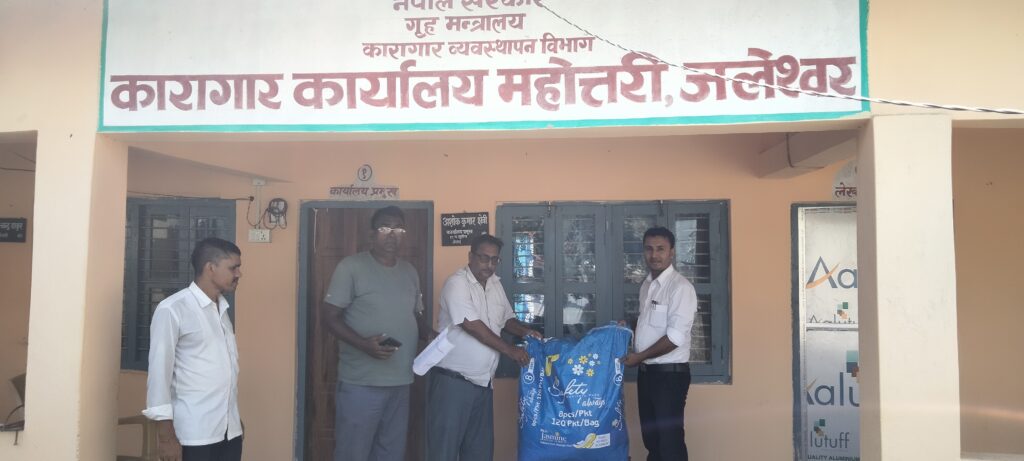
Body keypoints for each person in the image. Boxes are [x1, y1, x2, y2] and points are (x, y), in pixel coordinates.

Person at [321, 206, 433, 461]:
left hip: (401, 382)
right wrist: (363, 344)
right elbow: (328, 317)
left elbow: (415, 316)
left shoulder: (409, 272)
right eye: (384, 228)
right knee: (353, 453)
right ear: (371, 234)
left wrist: (431, 335)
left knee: (390, 453)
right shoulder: (351, 267)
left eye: (398, 228)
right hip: (361, 383)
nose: (392, 234)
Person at [426, 233, 541, 461]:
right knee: (444, 453)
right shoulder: (456, 283)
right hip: (453, 384)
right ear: (471, 257)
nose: (489, 265)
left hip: (483, 385)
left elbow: (506, 320)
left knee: (479, 454)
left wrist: (526, 331)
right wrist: (510, 350)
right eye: (483, 258)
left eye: (494, 259)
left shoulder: (495, 284)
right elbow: (471, 325)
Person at [144, 237, 244, 461]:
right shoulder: (173, 309)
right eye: (233, 268)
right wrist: (166, 438)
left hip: (229, 432)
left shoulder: (221, 309)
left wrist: (233, 420)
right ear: (210, 268)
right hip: (194, 434)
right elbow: (159, 375)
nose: (239, 274)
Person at [622, 227, 698, 461]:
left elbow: (675, 338)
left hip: (669, 377)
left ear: (672, 252)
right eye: (649, 249)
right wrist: (629, 325)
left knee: (669, 443)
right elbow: (651, 323)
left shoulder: (680, 288)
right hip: (648, 374)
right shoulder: (647, 285)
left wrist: (639, 356)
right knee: (652, 441)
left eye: (660, 249)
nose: (654, 255)